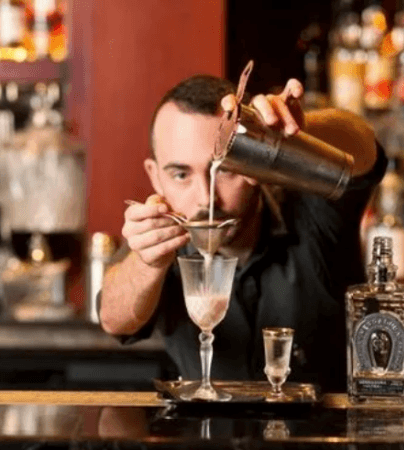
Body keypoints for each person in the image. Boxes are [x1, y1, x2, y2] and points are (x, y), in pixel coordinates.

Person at [98, 74, 387, 392]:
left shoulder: (311, 210)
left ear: (254, 158)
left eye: (225, 169)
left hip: (318, 433)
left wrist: (290, 133)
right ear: (155, 177)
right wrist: (148, 264)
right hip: (206, 438)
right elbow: (114, 320)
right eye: (180, 174)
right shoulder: (165, 230)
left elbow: (366, 148)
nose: (206, 199)